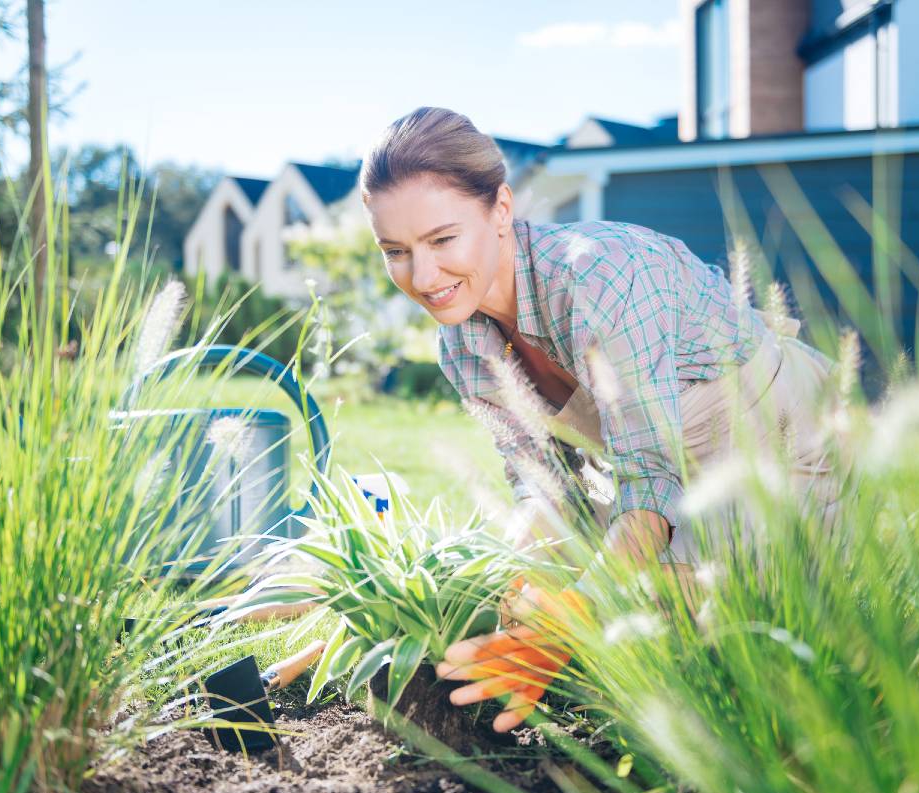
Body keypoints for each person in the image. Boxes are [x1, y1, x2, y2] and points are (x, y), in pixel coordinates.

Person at [359, 106, 838, 733]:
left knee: (756, 631)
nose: (421, 277)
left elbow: (647, 481)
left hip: (784, 448)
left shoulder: (598, 278)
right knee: (611, 615)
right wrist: (499, 595)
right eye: (396, 251)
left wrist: (570, 620)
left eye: (442, 240)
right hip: (675, 487)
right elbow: (542, 485)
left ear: (501, 209)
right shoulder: (463, 344)